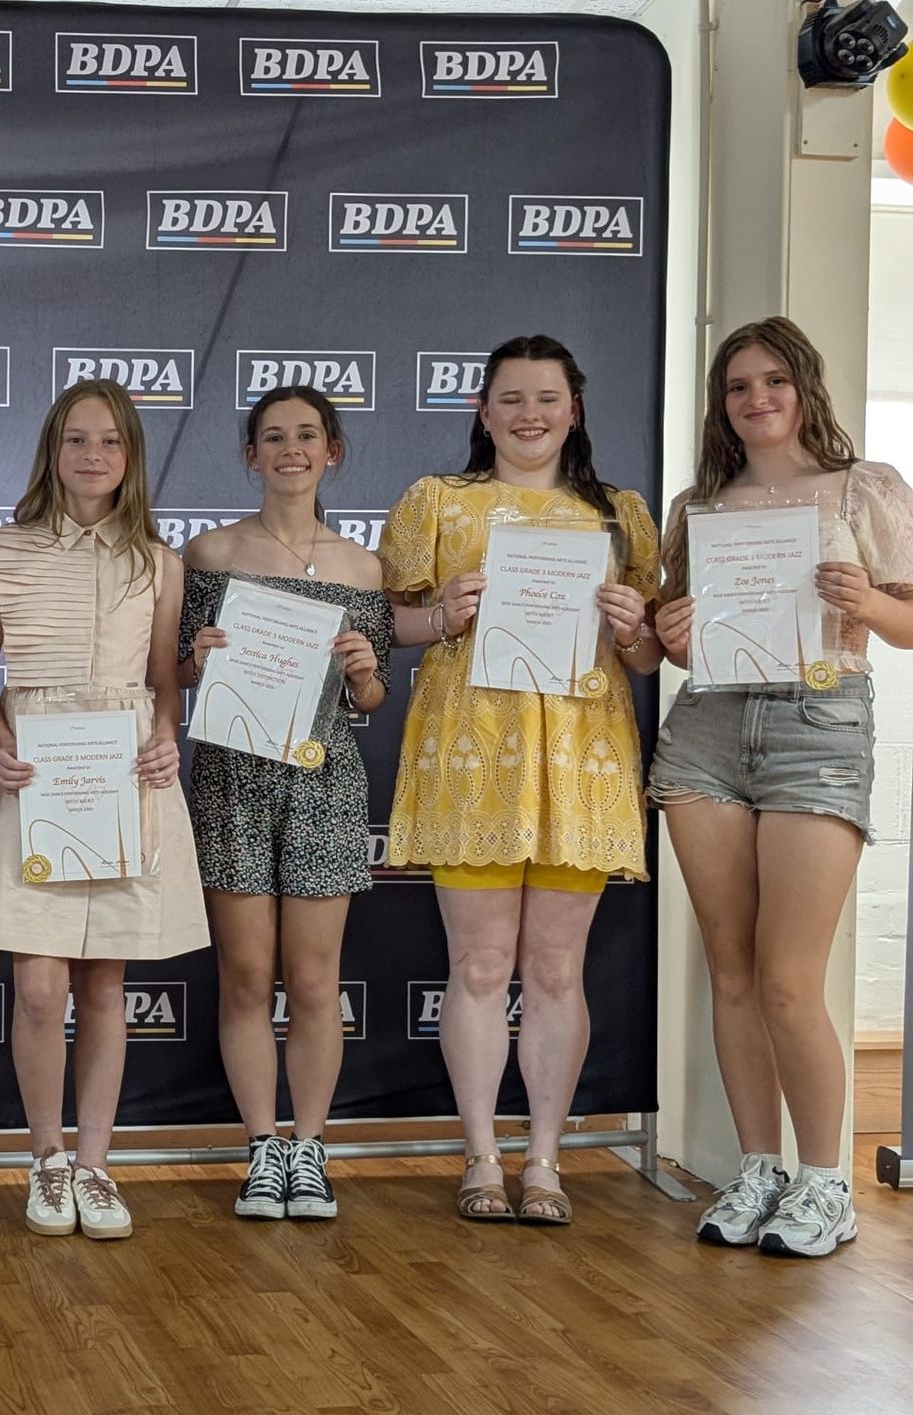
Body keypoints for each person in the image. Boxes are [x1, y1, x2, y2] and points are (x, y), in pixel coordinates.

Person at [378, 335, 661, 1226]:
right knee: (478, 964)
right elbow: (387, 623)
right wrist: (439, 615)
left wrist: (633, 626)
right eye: (511, 398)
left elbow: (647, 657)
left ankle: (544, 1161)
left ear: (574, 410)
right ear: (483, 410)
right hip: (473, 758)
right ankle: (479, 1157)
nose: (529, 415)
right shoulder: (437, 503)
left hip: (581, 763)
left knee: (553, 968)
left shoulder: (622, 516)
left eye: (547, 398)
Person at [651, 316, 913, 1257]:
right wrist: (671, 637)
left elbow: (909, 622)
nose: (756, 399)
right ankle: (757, 1168)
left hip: (819, 725)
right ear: (721, 404)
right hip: (708, 732)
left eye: (773, 381)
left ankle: (825, 1183)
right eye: (737, 386)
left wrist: (867, 602)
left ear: (804, 387)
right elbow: (679, 645)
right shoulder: (698, 507)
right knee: (731, 974)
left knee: (790, 981)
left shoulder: (865, 487)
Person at [0, 379, 209, 1240]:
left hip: (124, 778)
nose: (93, 456)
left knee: (105, 983)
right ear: (52, 451)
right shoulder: (8, 549)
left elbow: (164, 683)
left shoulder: (159, 561)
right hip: (35, 779)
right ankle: (47, 1160)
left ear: (131, 456)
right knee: (37, 986)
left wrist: (166, 736)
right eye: (76, 440)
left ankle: (96, 1165)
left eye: (110, 441)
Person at [178, 386, 389, 1221]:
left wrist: (366, 673)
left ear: (332, 451)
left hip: (324, 781)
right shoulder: (210, 552)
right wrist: (196, 659)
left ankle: (309, 1148)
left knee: (312, 980)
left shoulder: (362, 567)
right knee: (244, 977)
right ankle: (262, 1148)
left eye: (307, 436)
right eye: (273, 437)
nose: (290, 450)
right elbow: (179, 672)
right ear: (250, 455)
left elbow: (369, 698)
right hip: (231, 778)